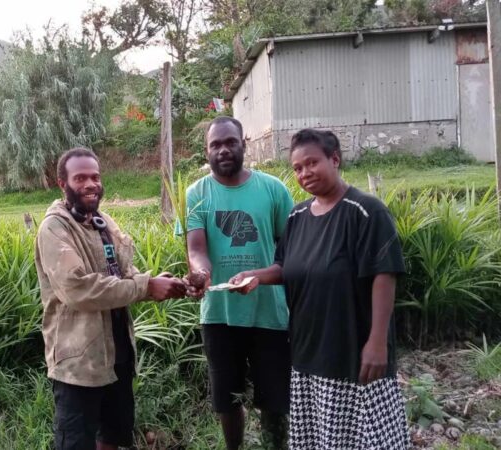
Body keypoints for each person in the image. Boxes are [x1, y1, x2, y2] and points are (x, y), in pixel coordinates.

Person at [230, 129, 409, 449]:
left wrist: (378, 342)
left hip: (354, 354)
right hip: (308, 352)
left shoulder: (366, 212)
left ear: (335, 159)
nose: (304, 173)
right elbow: (286, 266)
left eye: (312, 163)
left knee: (364, 439)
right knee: (318, 438)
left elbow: (385, 274)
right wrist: (255, 276)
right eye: (297, 168)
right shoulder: (297, 216)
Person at [35, 147, 188, 450]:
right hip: (78, 364)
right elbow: (78, 289)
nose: (91, 184)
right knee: (76, 443)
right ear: (62, 184)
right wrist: (145, 287)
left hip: (117, 354)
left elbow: (125, 274)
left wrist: (164, 283)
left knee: (113, 437)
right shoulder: (54, 228)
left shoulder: (104, 222)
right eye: (80, 178)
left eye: (95, 176)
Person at [183, 116, 295, 449]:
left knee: (274, 400)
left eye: (230, 142)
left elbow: (289, 254)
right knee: (226, 401)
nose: (223, 150)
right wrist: (201, 274)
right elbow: (197, 249)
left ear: (244, 143)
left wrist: (259, 278)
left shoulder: (273, 189)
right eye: (215, 144)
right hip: (220, 314)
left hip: (269, 313)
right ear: (206, 151)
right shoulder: (197, 194)